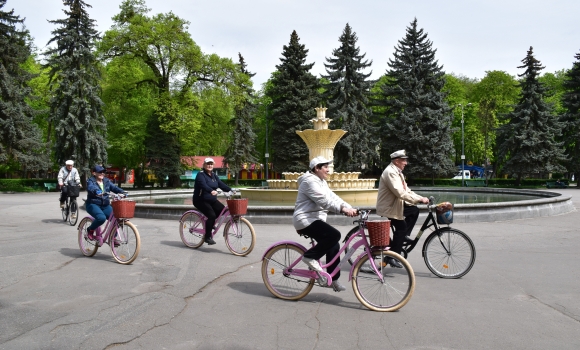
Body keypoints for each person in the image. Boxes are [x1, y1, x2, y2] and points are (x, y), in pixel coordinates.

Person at [293, 156, 358, 292]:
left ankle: (333, 279)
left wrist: (350, 207)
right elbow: (324, 201)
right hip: (305, 220)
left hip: (315, 219)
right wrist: (343, 209)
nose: (328, 170)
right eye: (326, 167)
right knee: (334, 235)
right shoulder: (310, 182)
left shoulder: (321, 181)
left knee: (334, 245)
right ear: (317, 168)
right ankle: (309, 257)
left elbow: (333, 197)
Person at [376, 150, 429, 268]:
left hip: (396, 205)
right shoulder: (390, 172)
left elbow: (407, 190)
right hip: (389, 207)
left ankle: (402, 237)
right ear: (396, 161)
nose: (406, 163)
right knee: (401, 227)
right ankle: (393, 257)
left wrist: (420, 198)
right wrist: (418, 200)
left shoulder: (398, 172)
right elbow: (400, 193)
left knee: (414, 211)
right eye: (404, 160)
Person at [192, 157, 232, 245]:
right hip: (200, 200)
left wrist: (230, 189)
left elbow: (221, 184)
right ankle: (207, 237)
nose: (209, 165)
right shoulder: (200, 175)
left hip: (211, 200)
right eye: (208, 164)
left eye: (211, 164)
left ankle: (210, 224)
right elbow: (203, 185)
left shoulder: (214, 175)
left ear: (213, 165)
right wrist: (211, 190)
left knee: (223, 210)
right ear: (204, 165)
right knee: (211, 215)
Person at [85, 165, 126, 240]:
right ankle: (90, 230)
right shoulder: (90, 181)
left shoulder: (106, 181)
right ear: (94, 173)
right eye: (100, 172)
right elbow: (91, 188)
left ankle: (113, 238)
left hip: (105, 205)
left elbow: (114, 188)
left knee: (116, 219)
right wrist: (96, 191)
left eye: (103, 172)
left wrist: (122, 192)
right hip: (93, 204)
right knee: (101, 218)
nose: (102, 173)